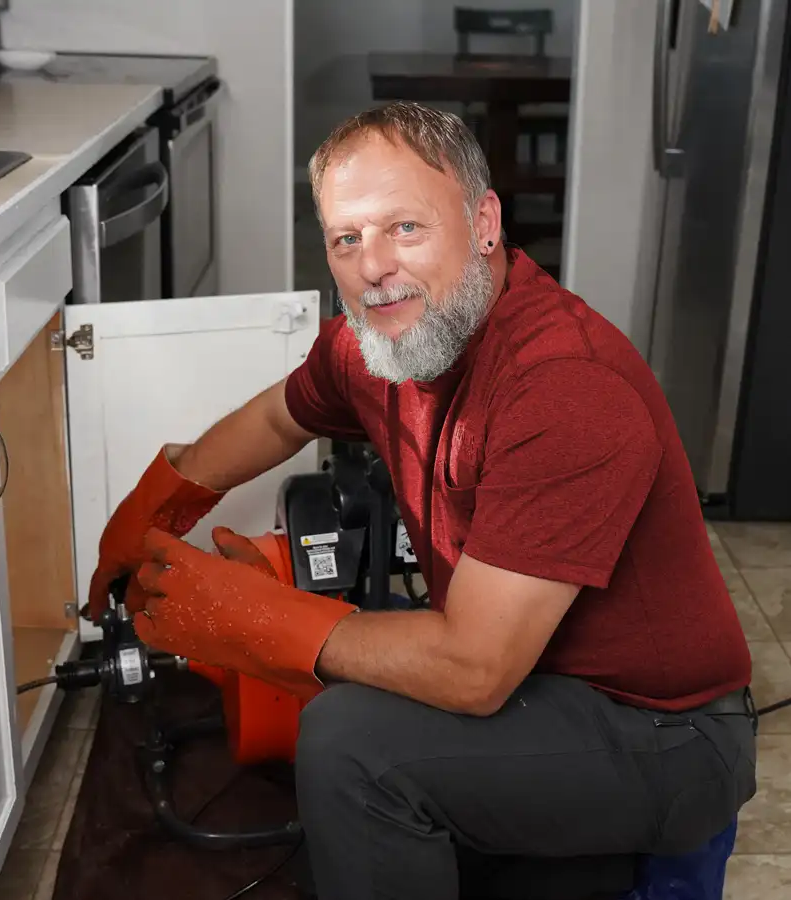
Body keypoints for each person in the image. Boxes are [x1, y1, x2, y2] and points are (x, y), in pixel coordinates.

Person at [86, 101, 757, 900]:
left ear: (483, 223)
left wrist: (256, 620)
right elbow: (276, 417)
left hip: (665, 731)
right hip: (540, 681)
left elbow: (474, 669)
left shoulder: (566, 386)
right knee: (362, 695)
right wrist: (159, 504)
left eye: (404, 227)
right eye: (346, 238)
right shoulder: (381, 341)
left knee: (350, 742)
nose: (372, 266)